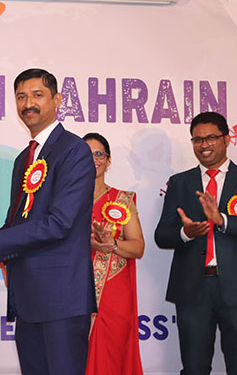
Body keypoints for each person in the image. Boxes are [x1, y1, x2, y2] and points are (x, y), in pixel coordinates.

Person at [0, 68, 97, 375]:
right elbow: (15, 224)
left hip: (61, 298)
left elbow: (59, 223)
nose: (28, 104)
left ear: (57, 100)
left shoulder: (74, 150)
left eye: (37, 95)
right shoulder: (23, 159)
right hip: (27, 298)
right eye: (21, 97)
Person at [154, 111, 237, 375]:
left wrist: (223, 220)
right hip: (192, 290)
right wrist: (186, 232)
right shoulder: (179, 182)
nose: (204, 145)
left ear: (227, 139)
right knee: (194, 368)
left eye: (211, 137)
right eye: (197, 139)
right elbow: (162, 235)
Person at [82, 133, 144, 375]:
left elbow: (138, 247)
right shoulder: (66, 200)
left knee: (114, 357)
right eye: (86, 155)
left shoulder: (123, 200)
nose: (94, 160)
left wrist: (112, 245)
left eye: (99, 154)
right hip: (75, 287)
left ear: (108, 161)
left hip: (114, 291)